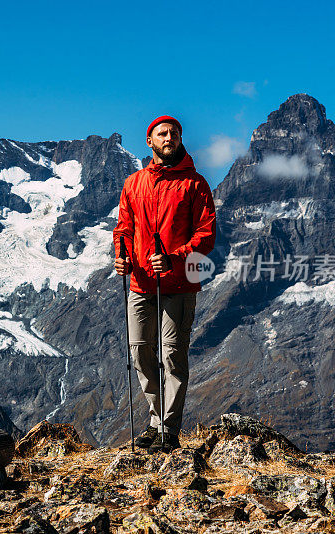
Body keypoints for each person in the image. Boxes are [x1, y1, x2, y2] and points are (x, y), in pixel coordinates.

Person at [113, 115, 216, 452]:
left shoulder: (195, 184)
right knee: (140, 352)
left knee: (172, 355)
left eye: (174, 133)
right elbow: (124, 228)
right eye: (162, 134)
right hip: (141, 282)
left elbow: (206, 235)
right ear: (150, 141)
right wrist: (122, 255)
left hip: (181, 282)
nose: (169, 138)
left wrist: (174, 257)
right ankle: (156, 419)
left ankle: (167, 431)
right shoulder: (133, 184)